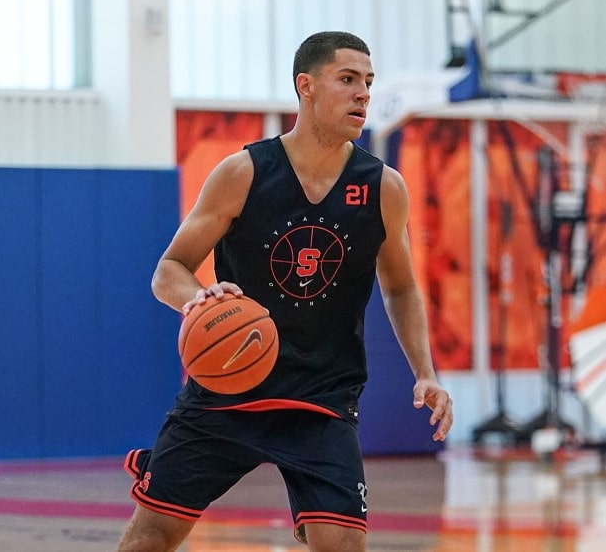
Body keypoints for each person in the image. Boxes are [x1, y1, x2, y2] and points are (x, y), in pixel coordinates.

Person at [117, 30, 453, 552]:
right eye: (347, 79)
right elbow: (170, 270)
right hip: (226, 389)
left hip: (321, 398)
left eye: (368, 82)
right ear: (306, 86)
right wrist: (197, 300)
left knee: (342, 546)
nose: (363, 93)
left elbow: (402, 288)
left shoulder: (382, 187)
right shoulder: (244, 173)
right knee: (149, 539)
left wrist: (425, 372)